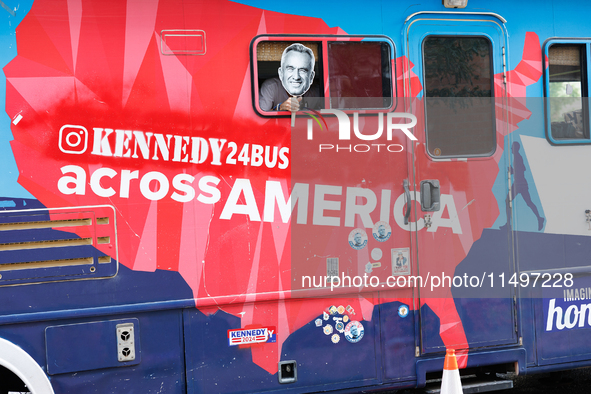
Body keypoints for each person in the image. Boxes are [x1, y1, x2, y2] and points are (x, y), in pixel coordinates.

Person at [259, 43, 319, 111]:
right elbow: (258, 117)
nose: (296, 77)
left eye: (302, 70)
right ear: (281, 73)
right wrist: (280, 108)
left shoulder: (315, 92)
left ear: (311, 77)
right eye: (290, 69)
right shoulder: (270, 87)